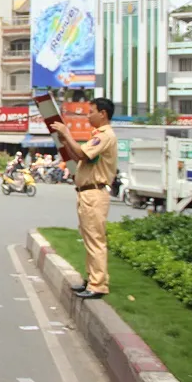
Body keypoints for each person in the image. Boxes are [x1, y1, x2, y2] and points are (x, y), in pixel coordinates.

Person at [50, 97, 117, 299]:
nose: (88, 116)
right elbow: (78, 156)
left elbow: (81, 154)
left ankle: (98, 285)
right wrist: (65, 141)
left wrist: (67, 133)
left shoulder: (105, 136)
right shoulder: (97, 135)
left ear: (103, 114)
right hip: (87, 192)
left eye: (91, 112)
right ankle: (92, 279)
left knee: (95, 240)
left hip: (94, 192)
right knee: (89, 239)